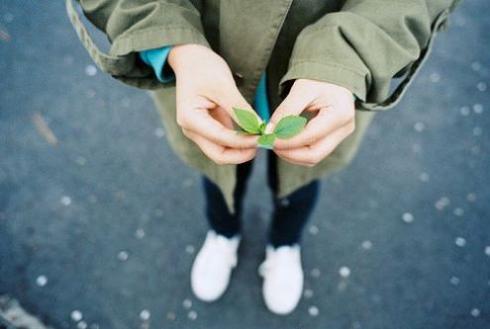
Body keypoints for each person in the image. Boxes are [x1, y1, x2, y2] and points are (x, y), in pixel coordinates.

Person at [66, 0, 459, 315]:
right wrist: (174, 45)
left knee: (301, 180)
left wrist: (352, 55)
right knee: (218, 170)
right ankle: (224, 234)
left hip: (326, 84)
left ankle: (284, 245)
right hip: (206, 67)